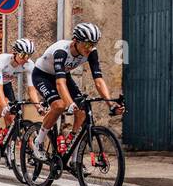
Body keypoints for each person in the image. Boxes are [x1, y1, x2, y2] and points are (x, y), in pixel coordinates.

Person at [28, 23, 124, 159]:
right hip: (42, 75)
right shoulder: (61, 51)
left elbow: (98, 80)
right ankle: (38, 141)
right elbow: (60, 83)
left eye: (93, 44)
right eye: (86, 44)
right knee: (59, 105)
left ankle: (73, 156)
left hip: (63, 75)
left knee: (82, 110)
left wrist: (111, 104)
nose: (89, 48)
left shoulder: (91, 52)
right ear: (75, 41)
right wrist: (69, 104)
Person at [0, 38, 39, 147]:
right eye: (23, 55)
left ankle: (7, 144)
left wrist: (38, 106)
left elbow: (32, 89)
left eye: (29, 55)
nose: (26, 59)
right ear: (14, 53)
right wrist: (4, 105)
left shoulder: (29, 65)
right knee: (3, 104)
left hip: (6, 83)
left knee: (12, 117)